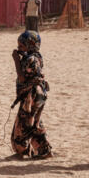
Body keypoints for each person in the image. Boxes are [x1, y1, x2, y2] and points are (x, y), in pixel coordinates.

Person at [10, 31, 52, 159]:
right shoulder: (36, 56)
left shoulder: (31, 59)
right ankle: (44, 151)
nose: (19, 49)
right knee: (34, 124)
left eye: (22, 46)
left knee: (22, 125)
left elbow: (22, 79)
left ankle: (22, 152)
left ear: (30, 45)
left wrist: (16, 61)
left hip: (32, 96)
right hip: (37, 95)